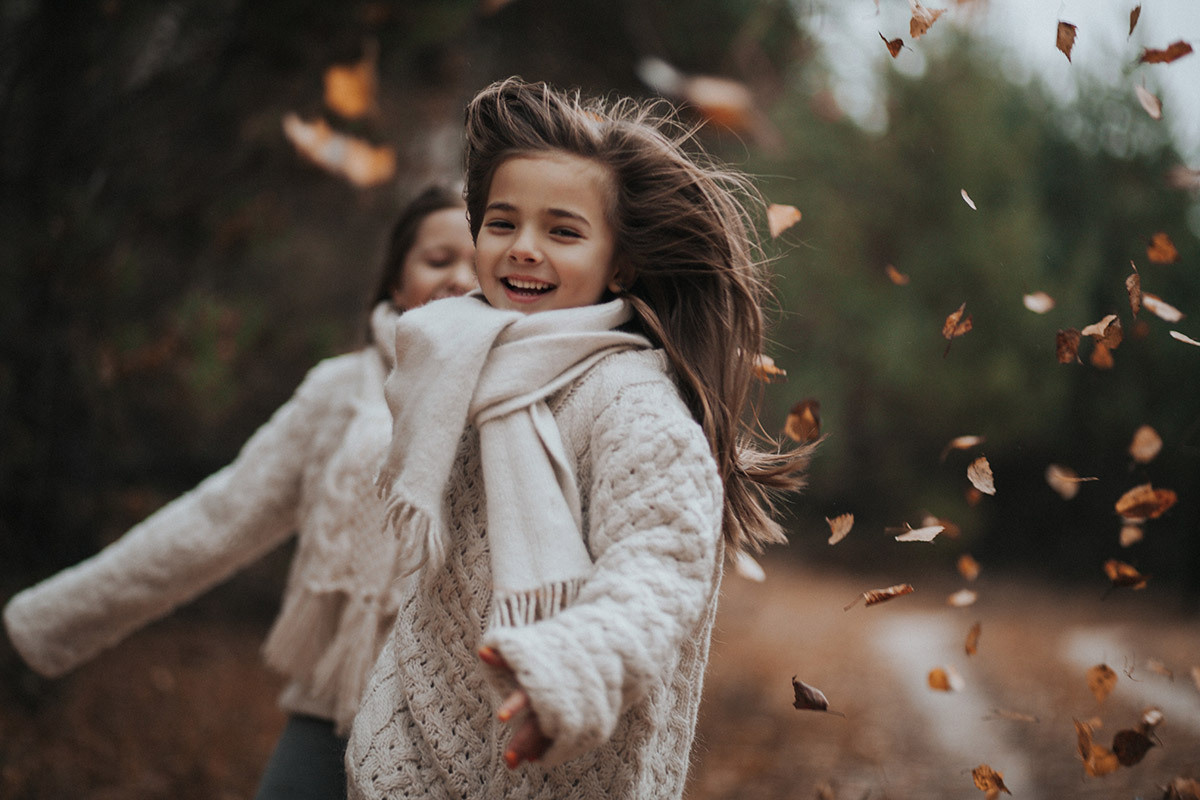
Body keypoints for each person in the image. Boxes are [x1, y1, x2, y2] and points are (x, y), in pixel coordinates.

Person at [345, 78, 813, 800]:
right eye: (502, 223)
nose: (524, 249)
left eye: (562, 232)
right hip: (402, 771)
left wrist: (568, 669)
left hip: (562, 769)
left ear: (618, 263)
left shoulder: (630, 400)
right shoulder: (448, 367)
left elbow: (658, 571)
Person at [2, 185, 477, 800]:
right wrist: (50, 618)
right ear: (395, 280)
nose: (458, 277)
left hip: (464, 723)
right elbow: (218, 518)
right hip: (334, 703)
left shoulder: (529, 393)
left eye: (476, 262)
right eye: (438, 260)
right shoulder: (336, 391)